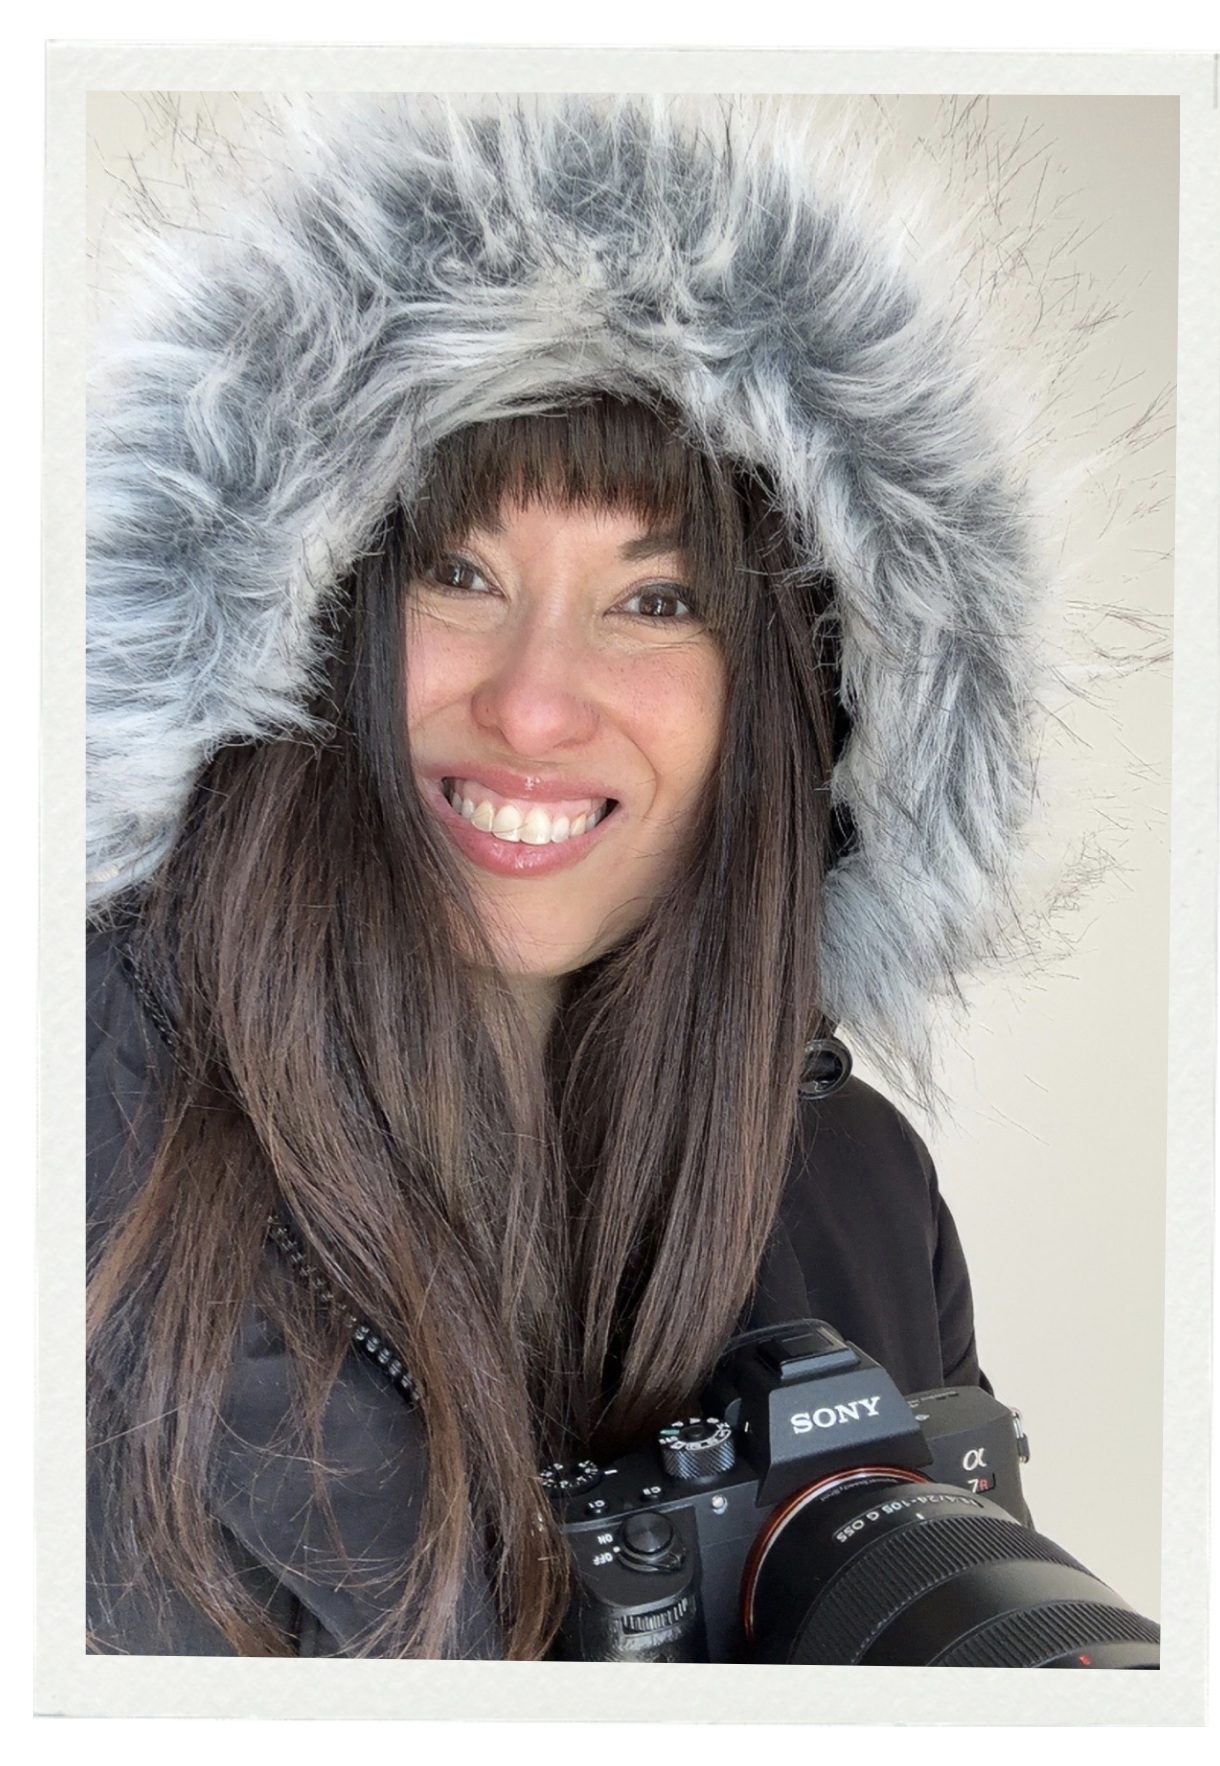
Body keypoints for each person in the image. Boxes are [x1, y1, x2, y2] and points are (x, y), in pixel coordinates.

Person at [86, 96, 1045, 1659]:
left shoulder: (864, 1195)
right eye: (457, 572)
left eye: (656, 599)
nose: (532, 707)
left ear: (780, 696)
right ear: (307, 617)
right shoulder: (70, 1150)